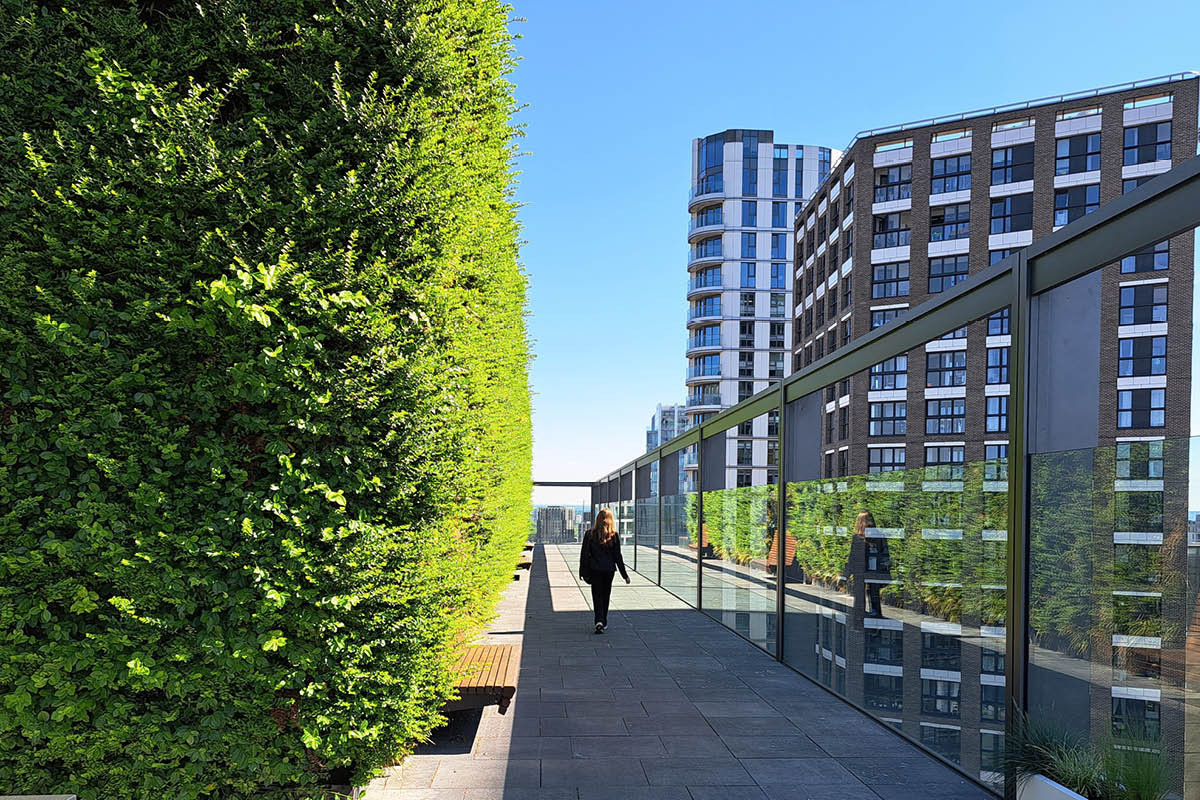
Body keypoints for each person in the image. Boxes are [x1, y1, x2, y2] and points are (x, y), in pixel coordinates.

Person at [579, 508, 630, 633]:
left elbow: (584, 554)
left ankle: (599, 620)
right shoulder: (614, 535)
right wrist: (625, 575)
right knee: (606, 595)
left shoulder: (590, 534)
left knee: (597, 595)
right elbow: (618, 557)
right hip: (609, 571)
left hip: (595, 570)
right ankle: (603, 620)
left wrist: (582, 572)